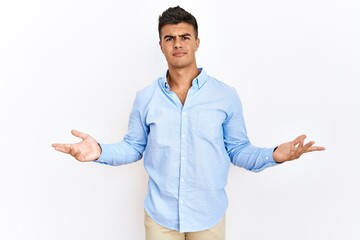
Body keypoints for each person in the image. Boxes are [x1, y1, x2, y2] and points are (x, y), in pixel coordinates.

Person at [52, 6, 325, 240]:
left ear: (197, 42)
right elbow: (134, 146)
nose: (177, 44)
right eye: (169, 38)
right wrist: (100, 150)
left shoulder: (224, 96)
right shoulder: (146, 97)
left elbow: (238, 150)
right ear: (161, 45)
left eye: (185, 36)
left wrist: (275, 154)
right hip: (160, 218)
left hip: (208, 216)